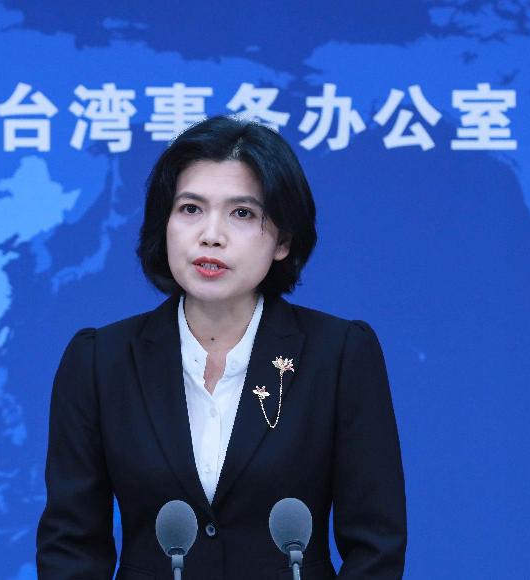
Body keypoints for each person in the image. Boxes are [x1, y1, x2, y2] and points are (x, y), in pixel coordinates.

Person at [36, 116, 406, 579]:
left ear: (283, 240)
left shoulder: (339, 355)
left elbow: (376, 547)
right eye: (190, 208)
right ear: (164, 223)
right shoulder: (100, 362)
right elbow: (71, 546)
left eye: (242, 213)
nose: (211, 234)